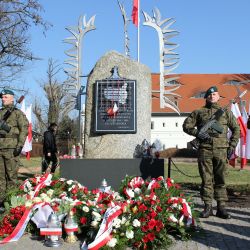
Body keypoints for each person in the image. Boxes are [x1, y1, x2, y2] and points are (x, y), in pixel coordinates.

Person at [183, 86, 240, 219]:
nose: (212, 96)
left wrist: (232, 145)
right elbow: (187, 126)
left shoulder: (225, 112)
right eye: (210, 94)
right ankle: (208, 207)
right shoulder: (199, 112)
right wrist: (199, 133)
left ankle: (221, 207)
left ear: (219, 96)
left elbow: (236, 129)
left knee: (221, 179)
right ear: (206, 97)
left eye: (215, 94)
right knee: (206, 179)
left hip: (221, 150)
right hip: (205, 150)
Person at [0, 89, 28, 213]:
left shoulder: (17, 113)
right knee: (1, 178)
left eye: (5, 97)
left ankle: (12, 204)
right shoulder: (0, 113)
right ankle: (2, 202)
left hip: (11, 148)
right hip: (0, 147)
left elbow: (24, 130)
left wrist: (19, 146)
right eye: (2, 97)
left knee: (12, 177)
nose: (3, 99)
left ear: (12, 98)